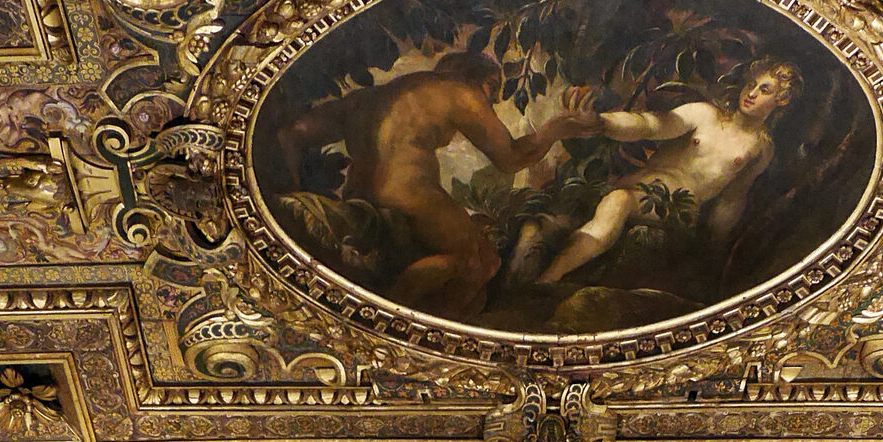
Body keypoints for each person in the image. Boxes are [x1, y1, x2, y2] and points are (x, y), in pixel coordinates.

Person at [278, 55, 597, 315]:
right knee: (480, 262)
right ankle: (394, 317)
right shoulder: (459, 92)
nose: (494, 101)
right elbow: (511, 158)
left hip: (361, 195)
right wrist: (555, 129)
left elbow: (292, 133)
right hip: (410, 193)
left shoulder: (365, 99)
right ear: (480, 80)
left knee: (466, 277)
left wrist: (292, 186)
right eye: (493, 89)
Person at [540, 59, 799, 285]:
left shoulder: (760, 150)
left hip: (674, 210)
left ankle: (549, 278)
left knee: (618, 201)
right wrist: (601, 121)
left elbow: (732, 199)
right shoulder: (705, 114)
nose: (751, 93)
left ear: (782, 99)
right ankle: (549, 278)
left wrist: (715, 245)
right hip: (637, 189)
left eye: (764, 90)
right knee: (606, 202)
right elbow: (649, 125)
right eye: (751, 84)